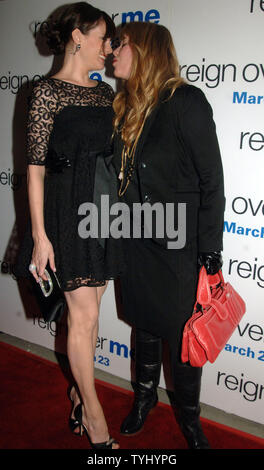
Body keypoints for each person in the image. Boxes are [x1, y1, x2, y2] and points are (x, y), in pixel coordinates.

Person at [111, 22, 225, 449]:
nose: (111, 53)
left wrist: (209, 250)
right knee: (144, 325)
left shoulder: (185, 102)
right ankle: (144, 401)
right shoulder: (126, 105)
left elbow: (212, 181)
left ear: (143, 50)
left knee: (183, 335)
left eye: (119, 45)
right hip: (137, 242)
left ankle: (189, 417)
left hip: (179, 249)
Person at [17, 2, 123, 449]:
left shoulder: (105, 95)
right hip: (65, 216)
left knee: (90, 319)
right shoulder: (46, 92)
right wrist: (40, 236)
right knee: (84, 318)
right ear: (78, 37)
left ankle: (79, 397)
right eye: (103, 38)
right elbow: (34, 169)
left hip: (104, 215)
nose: (109, 47)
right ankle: (96, 424)